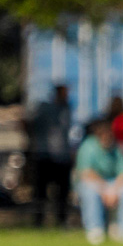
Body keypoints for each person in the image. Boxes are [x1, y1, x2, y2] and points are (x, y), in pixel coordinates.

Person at [74, 118, 123, 245]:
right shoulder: (88, 146)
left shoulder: (119, 148)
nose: (106, 137)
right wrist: (105, 189)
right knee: (89, 191)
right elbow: (86, 173)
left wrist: (113, 190)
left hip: (114, 184)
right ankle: (94, 229)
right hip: (94, 184)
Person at [28, 83, 74, 228]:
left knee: (62, 193)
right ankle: (38, 221)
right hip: (44, 154)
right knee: (41, 192)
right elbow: (30, 125)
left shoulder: (66, 109)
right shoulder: (44, 108)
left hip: (62, 156)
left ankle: (61, 221)